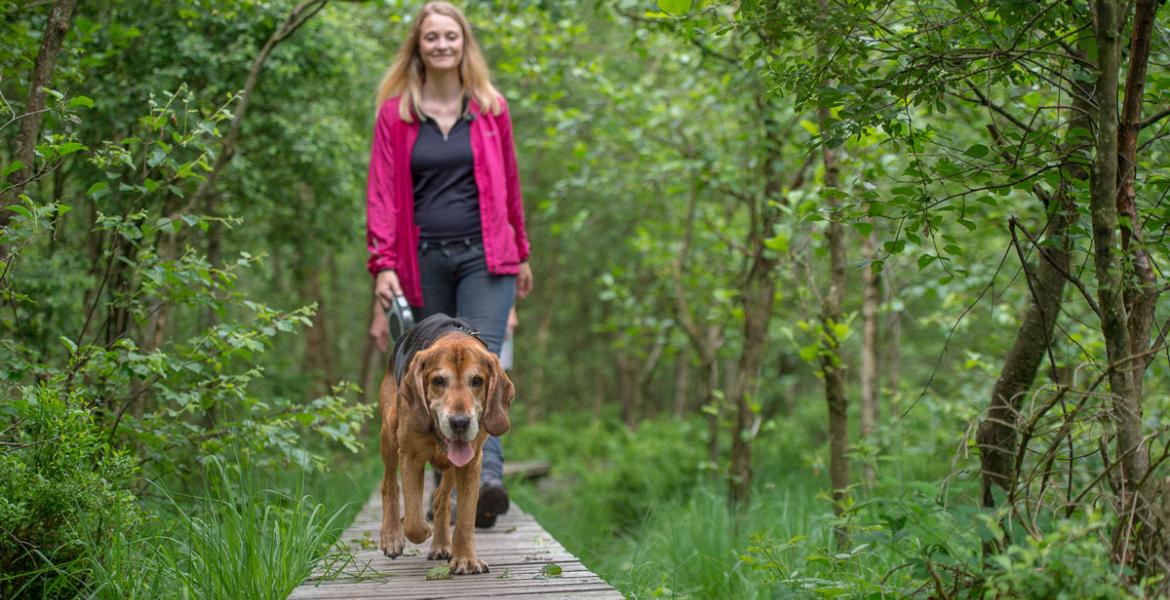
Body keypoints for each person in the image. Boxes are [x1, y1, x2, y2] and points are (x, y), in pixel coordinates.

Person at [366, 1, 532, 529]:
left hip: (488, 255)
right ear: (418, 46)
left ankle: (484, 482)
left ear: (465, 45)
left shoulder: (490, 108)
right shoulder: (396, 114)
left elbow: (510, 185)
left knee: (484, 360)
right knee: (436, 374)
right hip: (421, 260)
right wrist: (382, 264)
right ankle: (443, 498)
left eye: (451, 36)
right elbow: (382, 196)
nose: (442, 45)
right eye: (432, 37)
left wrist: (520, 251)